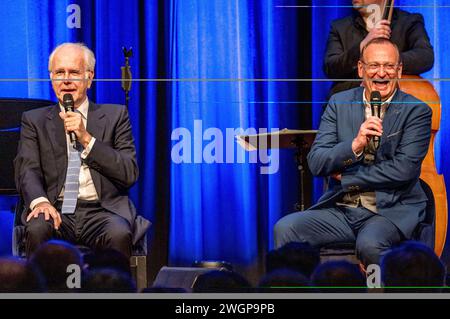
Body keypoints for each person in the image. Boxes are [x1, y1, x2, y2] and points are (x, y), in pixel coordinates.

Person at [274, 37, 432, 266]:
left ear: (399, 70)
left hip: (389, 210)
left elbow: (404, 170)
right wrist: (354, 145)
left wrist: (349, 177)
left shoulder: (417, 110)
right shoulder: (339, 103)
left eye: (389, 66)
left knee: (369, 244)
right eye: (374, 66)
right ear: (361, 69)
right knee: (286, 228)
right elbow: (316, 162)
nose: (382, 73)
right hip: (343, 208)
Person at [14, 42, 147, 259]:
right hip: (55, 208)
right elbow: (27, 169)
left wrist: (86, 138)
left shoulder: (115, 116)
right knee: (37, 229)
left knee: (119, 233)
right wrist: (41, 201)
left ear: (89, 77)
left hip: (102, 211)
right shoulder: (34, 120)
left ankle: (111, 290)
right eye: (59, 73)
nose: (66, 80)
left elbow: (129, 173)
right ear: (52, 78)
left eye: (74, 72)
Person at [324, 0, 434, 96]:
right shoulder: (339, 26)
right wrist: (362, 46)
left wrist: (388, 62)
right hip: (350, 106)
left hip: (396, 106)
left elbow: (426, 56)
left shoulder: (409, 21)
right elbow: (330, 67)